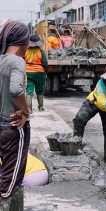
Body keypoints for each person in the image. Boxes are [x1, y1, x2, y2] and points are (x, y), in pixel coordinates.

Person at [0, 20, 30, 199]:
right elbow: (16, 90)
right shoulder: (17, 61)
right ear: (23, 42)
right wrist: (26, 112)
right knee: (8, 186)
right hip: (13, 126)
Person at [25, 35, 48, 112]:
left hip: (28, 72)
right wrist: (45, 72)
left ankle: (28, 109)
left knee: (29, 91)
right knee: (40, 90)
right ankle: (41, 107)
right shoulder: (41, 51)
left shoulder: (26, 50)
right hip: (39, 73)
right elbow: (45, 63)